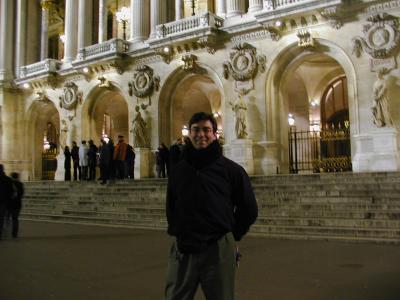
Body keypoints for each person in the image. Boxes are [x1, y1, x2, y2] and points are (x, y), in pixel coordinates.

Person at [165, 112, 258, 300]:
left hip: (218, 248)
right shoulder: (179, 170)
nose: (201, 134)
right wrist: (179, 231)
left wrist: (231, 236)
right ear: (189, 134)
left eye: (207, 130)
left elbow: (248, 208)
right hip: (184, 247)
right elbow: (171, 205)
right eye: (196, 130)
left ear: (215, 134)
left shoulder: (232, 170)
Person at [0, 164, 15, 240]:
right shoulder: (8, 179)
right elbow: (12, 191)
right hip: (4, 201)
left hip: (3, 202)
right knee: (1, 218)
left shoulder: (8, 180)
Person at [8, 172, 24, 238]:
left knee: (7, 219)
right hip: (17, 204)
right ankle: (14, 234)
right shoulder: (20, 184)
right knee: (15, 219)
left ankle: (5, 232)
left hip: (10, 204)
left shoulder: (9, 184)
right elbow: (22, 193)